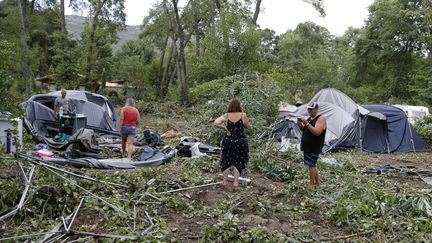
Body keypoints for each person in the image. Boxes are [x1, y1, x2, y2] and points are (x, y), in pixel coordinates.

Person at [214, 99, 251, 191]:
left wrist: (225, 128)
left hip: (228, 141)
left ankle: (225, 182)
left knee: (226, 160)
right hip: (240, 141)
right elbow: (247, 126)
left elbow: (215, 123)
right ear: (239, 106)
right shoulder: (243, 115)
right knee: (238, 161)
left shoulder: (226, 115)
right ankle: (235, 184)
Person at [298, 102, 326, 191]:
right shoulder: (310, 118)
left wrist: (307, 124)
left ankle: (311, 186)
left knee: (311, 165)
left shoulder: (320, 119)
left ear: (316, 109)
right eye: (308, 109)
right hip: (308, 146)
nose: (309, 111)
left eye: (311, 109)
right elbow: (305, 130)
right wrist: (300, 125)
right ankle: (317, 184)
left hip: (314, 146)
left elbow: (317, 132)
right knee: (312, 164)